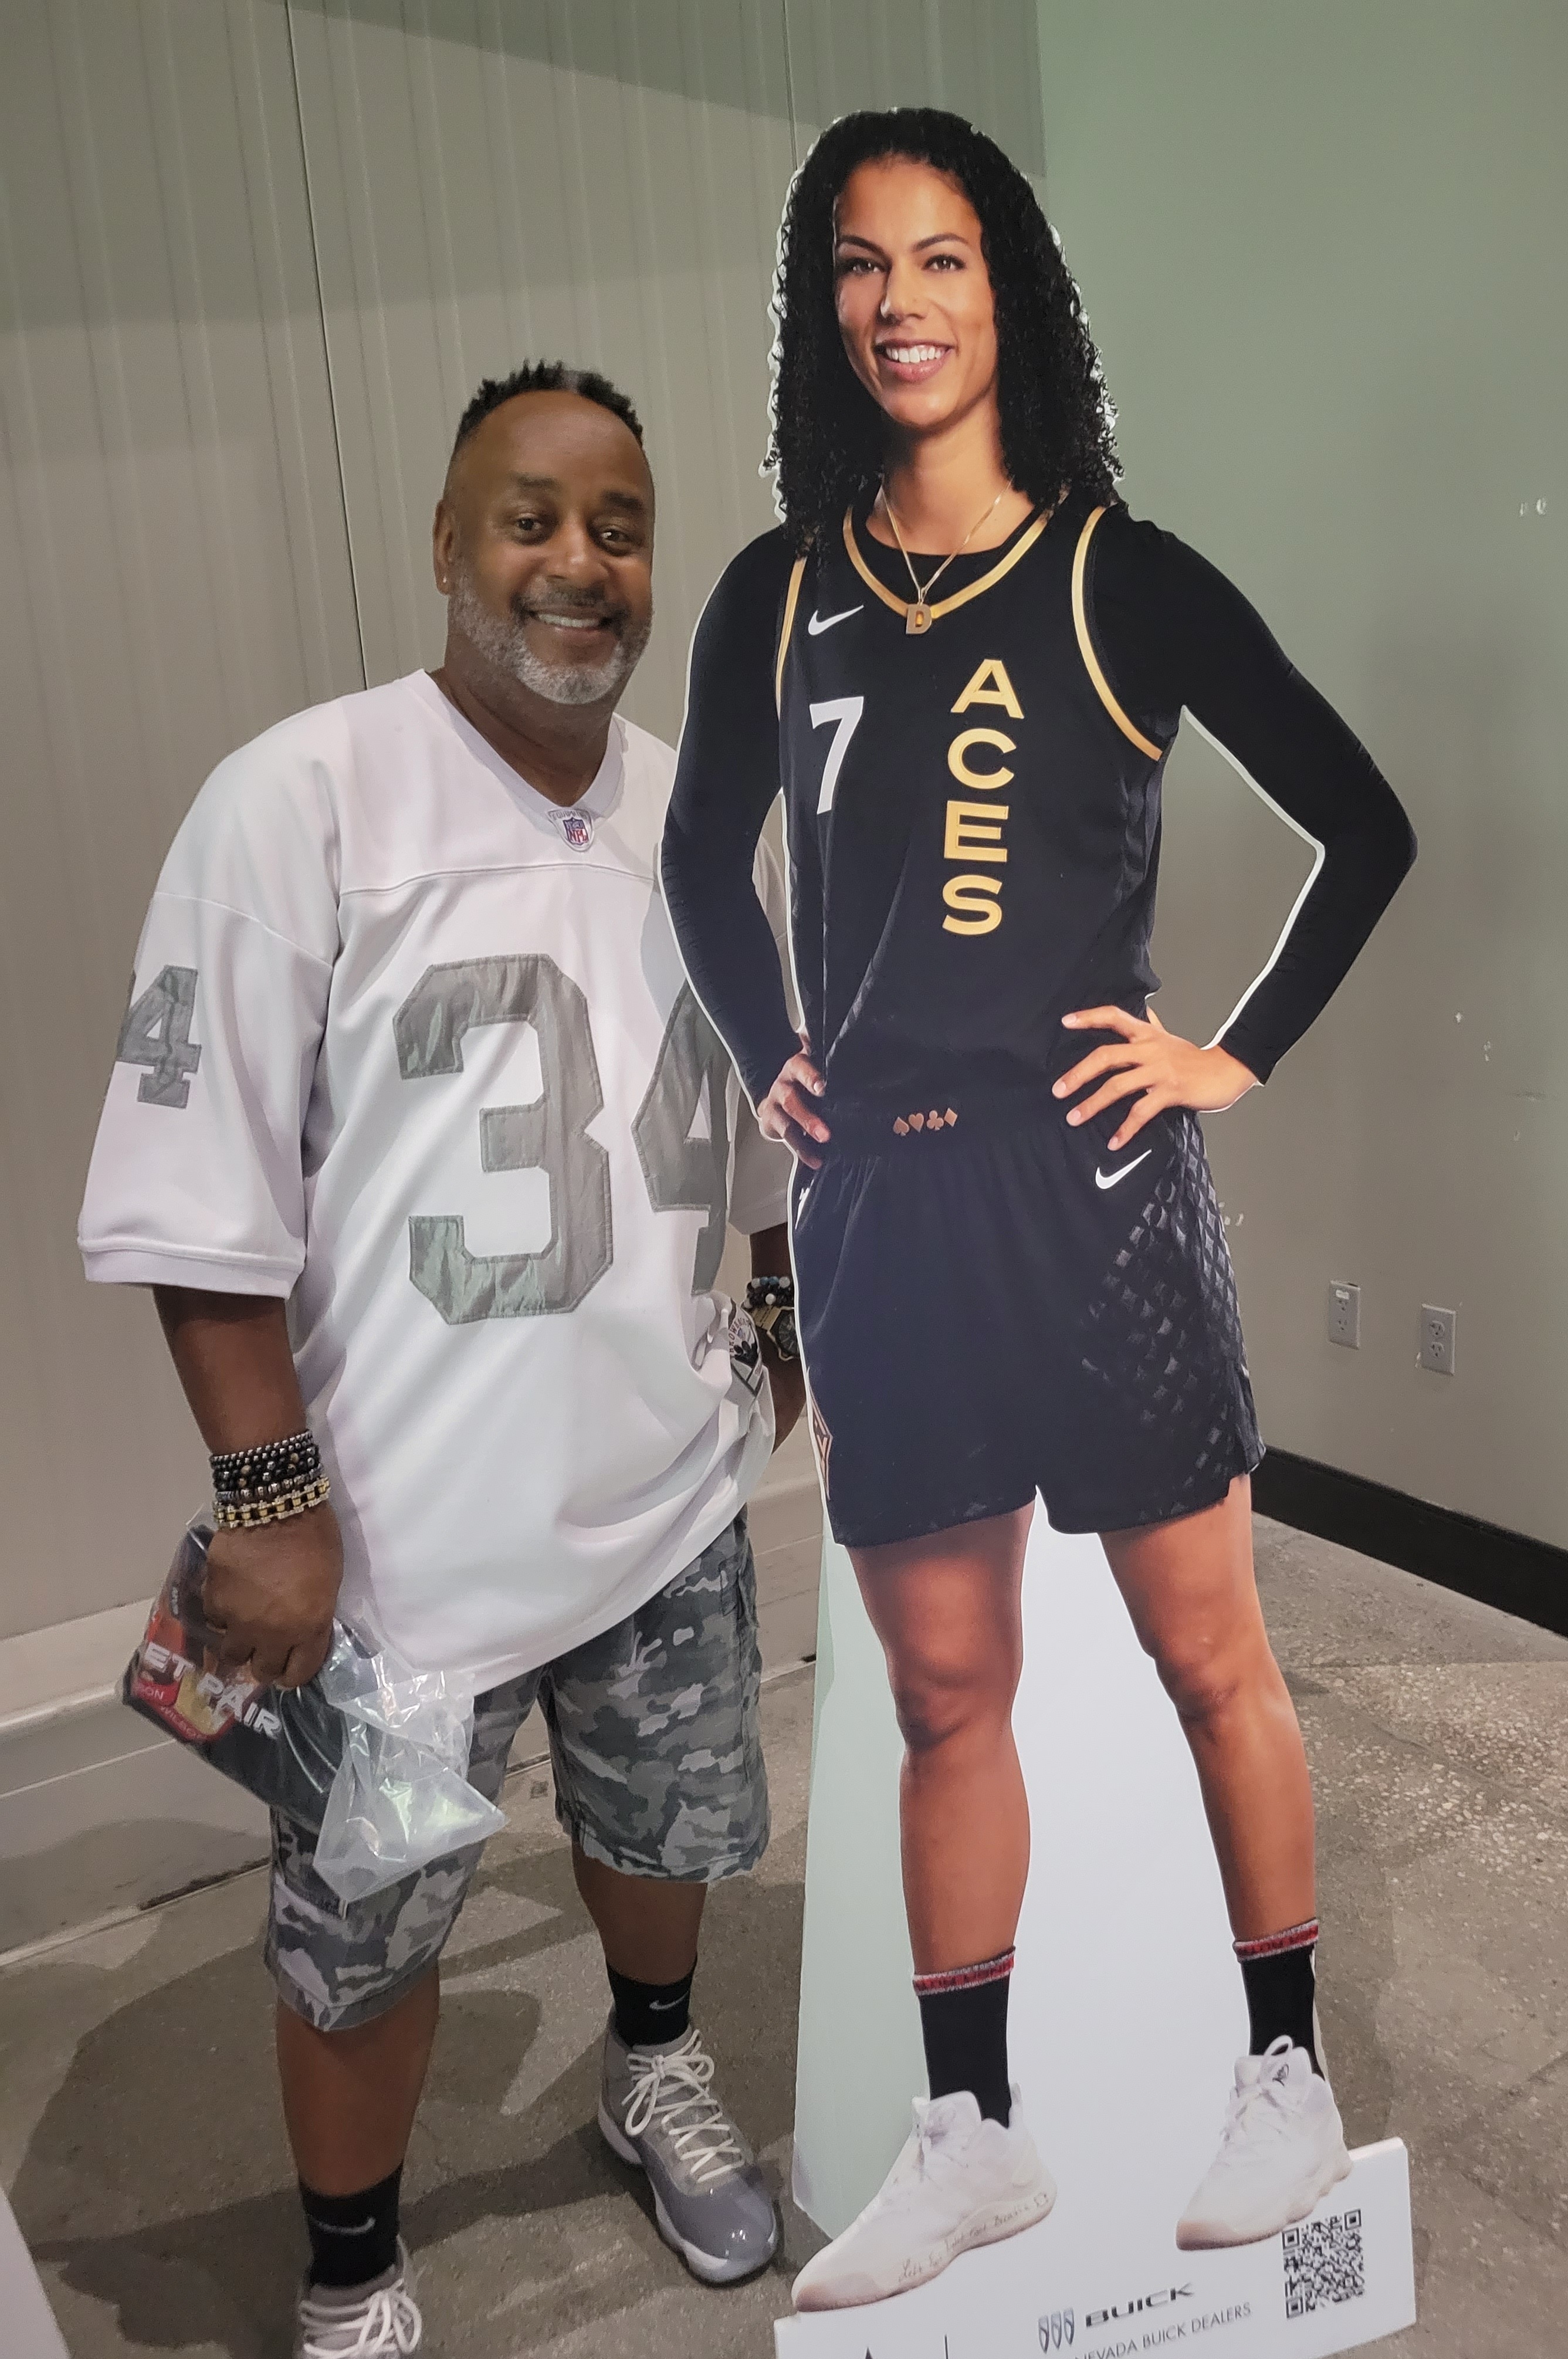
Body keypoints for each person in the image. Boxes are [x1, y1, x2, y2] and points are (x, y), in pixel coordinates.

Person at [661, 113, 1416, 2310]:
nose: (901, 301)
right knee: (940, 1690)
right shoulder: (775, 593)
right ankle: (973, 2135)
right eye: (861, 263)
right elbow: (704, 857)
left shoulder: (1122, 577)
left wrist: (1226, 1057)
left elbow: (1362, 823)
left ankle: (1284, 2070)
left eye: (943, 258)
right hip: (885, 1218)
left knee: (1210, 1654)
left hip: (1097, 1204)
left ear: (1011, 294)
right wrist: (766, 1043)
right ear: (822, 304)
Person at [79, 362, 804, 2357]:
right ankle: (354, 2276)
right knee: (367, 1938)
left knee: (663, 1836)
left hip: (662, 1495)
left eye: (620, 528)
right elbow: (198, 1194)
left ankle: (650, 2068)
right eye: (531, 517)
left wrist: (776, 1308)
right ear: (447, 544)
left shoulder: (700, 814)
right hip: (402, 1553)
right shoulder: (298, 798)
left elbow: (756, 1106)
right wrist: (269, 1501)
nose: (579, 562)